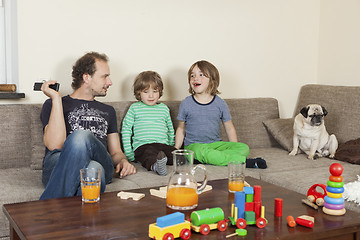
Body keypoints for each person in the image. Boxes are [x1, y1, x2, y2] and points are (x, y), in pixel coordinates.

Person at [39, 52, 136, 200]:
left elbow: (115, 151)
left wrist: (123, 161)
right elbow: (55, 145)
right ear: (86, 77)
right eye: (105, 76)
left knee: (83, 140)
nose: (110, 82)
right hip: (57, 164)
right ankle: (78, 221)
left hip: (102, 161)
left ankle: (47, 208)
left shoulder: (108, 111)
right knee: (93, 169)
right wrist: (56, 99)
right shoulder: (53, 104)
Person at [174, 60, 253, 166]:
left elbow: (229, 127)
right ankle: (241, 161)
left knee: (243, 148)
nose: (195, 78)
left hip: (216, 145)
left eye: (201, 75)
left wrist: (233, 145)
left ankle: (213, 157)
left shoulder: (220, 103)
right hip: (194, 146)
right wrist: (176, 149)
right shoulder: (186, 103)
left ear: (212, 80)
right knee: (197, 151)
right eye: (192, 76)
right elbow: (181, 128)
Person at [121, 71, 176, 175]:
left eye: (155, 91)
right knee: (148, 155)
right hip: (143, 146)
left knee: (177, 155)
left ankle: (163, 161)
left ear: (160, 91)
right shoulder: (135, 108)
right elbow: (126, 129)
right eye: (146, 92)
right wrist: (129, 153)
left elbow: (170, 130)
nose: (151, 96)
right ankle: (156, 166)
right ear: (139, 93)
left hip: (162, 145)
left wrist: (170, 145)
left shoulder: (164, 109)